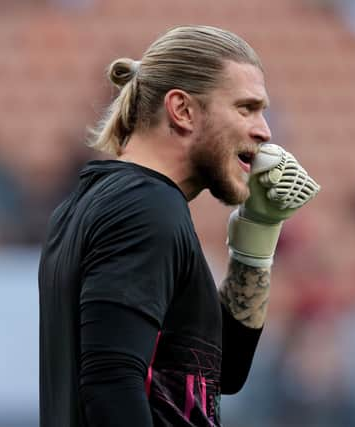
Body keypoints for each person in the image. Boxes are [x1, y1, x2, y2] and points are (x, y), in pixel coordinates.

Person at [38, 25, 320, 427]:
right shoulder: (144, 207)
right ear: (182, 110)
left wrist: (256, 234)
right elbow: (110, 383)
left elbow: (223, 372)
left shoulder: (107, 201)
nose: (265, 131)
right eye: (246, 108)